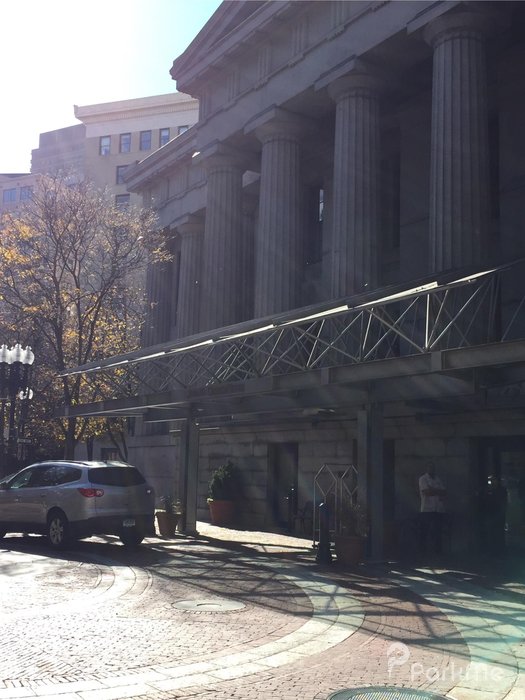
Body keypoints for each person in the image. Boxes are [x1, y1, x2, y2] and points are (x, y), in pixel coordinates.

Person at [418, 462, 446, 557]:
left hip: (438, 509)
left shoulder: (438, 479)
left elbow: (444, 492)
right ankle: (423, 552)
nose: (431, 469)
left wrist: (433, 490)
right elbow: (426, 492)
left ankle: (437, 552)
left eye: (433, 468)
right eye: (429, 467)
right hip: (427, 509)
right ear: (426, 468)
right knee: (425, 531)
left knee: (437, 531)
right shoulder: (423, 479)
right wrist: (436, 491)